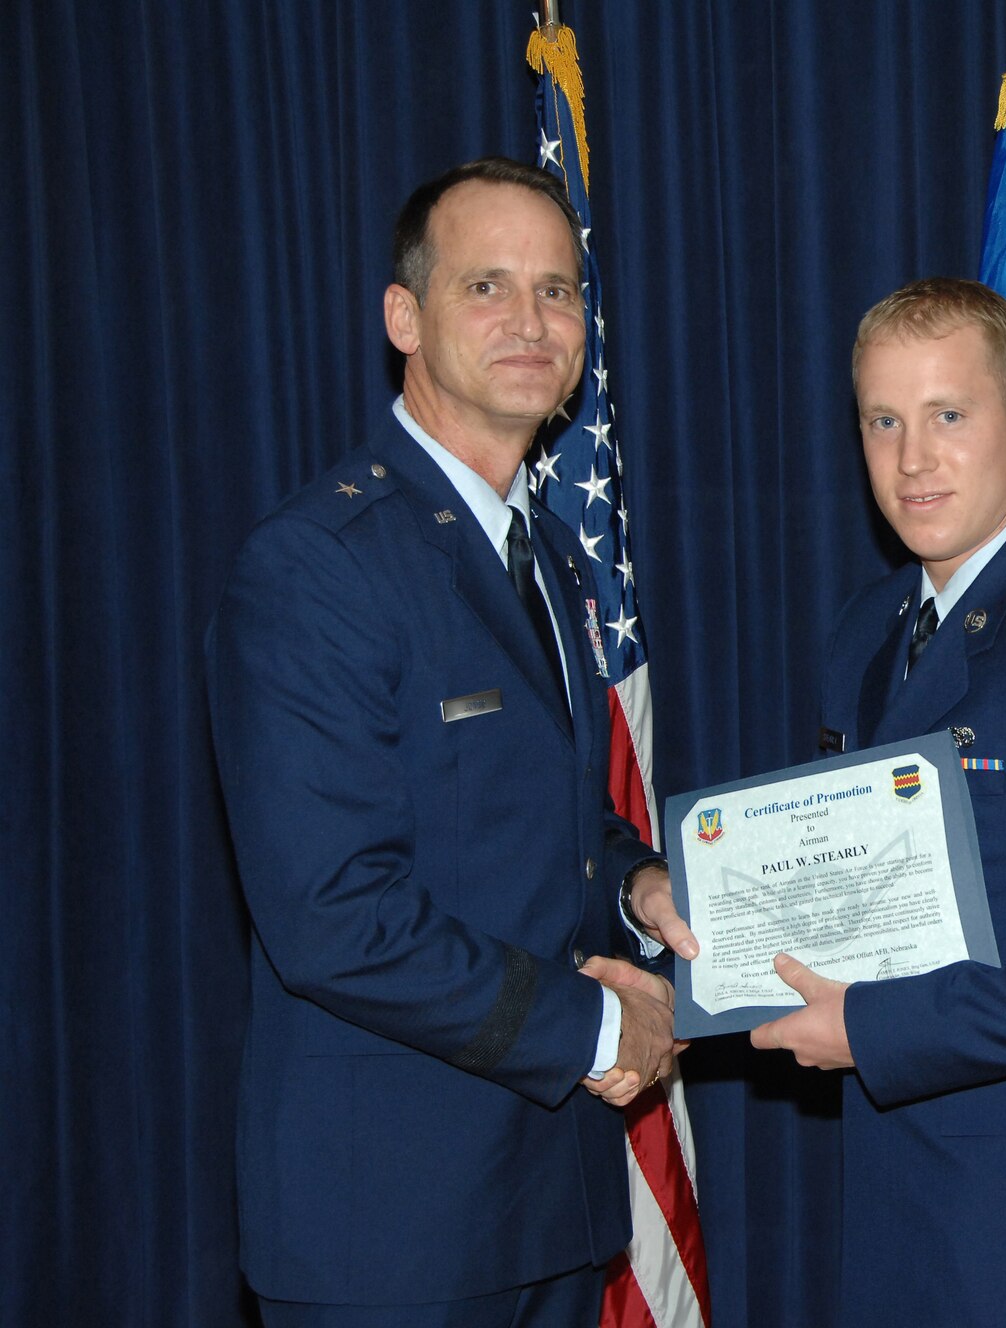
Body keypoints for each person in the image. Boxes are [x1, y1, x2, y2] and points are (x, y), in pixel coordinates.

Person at [630, 277, 1006, 1325]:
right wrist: (707, 933)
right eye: (883, 421)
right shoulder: (869, 626)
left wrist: (877, 1023)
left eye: (947, 415)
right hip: (894, 1186)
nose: (912, 460)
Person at [207, 157, 680, 1328]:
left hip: (554, 1204)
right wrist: (606, 1025)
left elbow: (542, 815)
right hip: (393, 1225)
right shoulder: (318, 564)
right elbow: (332, 914)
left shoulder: (552, 557)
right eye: (488, 285)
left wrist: (641, 878)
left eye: (560, 291)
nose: (532, 320)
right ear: (403, 316)